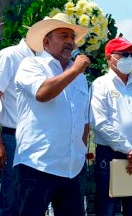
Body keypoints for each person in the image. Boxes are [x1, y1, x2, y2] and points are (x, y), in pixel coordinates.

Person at [13, 13, 90, 215]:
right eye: (63, 36)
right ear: (46, 42)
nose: (70, 42)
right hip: (38, 164)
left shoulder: (80, 77)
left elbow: (84, 119)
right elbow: (42, 93)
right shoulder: (32, 65)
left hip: (73, 167)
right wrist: (74, 72)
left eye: (72, 37)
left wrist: (81, 151)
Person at [89, 37, 132, 216]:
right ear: (109, 58)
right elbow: (99, 122)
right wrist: (129, 149)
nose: (129, 59)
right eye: (124, 54)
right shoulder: (100, 85)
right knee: (107, 210)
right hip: (111, 155)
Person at [0, 39, 35, 215]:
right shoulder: (9, 56)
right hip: (14, 139)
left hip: (38, 141)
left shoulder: (45, 61)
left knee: (33, 201)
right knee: (12, 202)